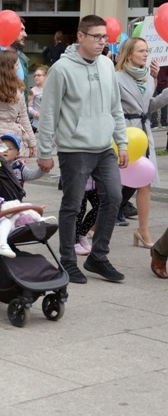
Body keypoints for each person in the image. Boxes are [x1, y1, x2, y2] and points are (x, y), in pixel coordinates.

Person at [37, 14, 128, 284]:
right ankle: (67, 260)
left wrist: (121, 142)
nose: (103, 42)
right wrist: (44, 152)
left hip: (103, 148)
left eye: (105, 38)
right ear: (80, 37)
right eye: (97, 37)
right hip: (74, 149)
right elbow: (49, 113)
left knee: (114, 197)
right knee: (72, 205)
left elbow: (115, 108)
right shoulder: (61, 69)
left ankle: (98, 256)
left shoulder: (106, 65)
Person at [116, 37, 168, 249]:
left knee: (144, 183)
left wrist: (166, 93)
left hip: (144, 136)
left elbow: (149, 107)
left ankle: (143, 230)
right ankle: (93, 225)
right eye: (141, 51)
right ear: (129, 54)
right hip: (124, 135)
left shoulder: (147, 77)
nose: (146, 54)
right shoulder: (115, 78)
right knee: (116, 185)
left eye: (147, 50)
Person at [0, 171, 55, 258]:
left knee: (21, 208)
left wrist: (31, 207)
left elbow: (11, 206)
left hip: (8, 219)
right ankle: (1, 244)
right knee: (5, 221)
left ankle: (40, 219)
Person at [29, 65, 48, 132]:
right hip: (38, 123)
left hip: (50, 122)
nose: (36, 77)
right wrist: (36, 114)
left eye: (39, 75)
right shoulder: (33, 91)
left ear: (45, 76)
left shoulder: (52, 89)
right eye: (35, 76)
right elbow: (28, 107)